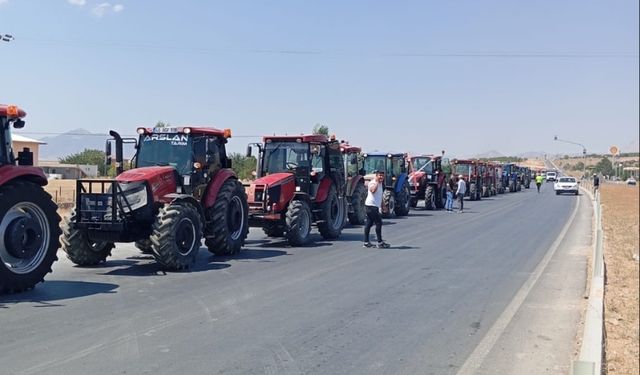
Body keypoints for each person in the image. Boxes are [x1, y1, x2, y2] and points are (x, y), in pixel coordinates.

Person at [363, 170, 390, 248]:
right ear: (376, 176)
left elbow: (379, 196)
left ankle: (366, 242)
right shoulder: (373, 183)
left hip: (374, 206)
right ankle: (380, 243)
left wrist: (383, 206)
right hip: (371, 206)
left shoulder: (381, 184)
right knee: (378, 223)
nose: (381, 177)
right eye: (380, 176)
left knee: (369, 223)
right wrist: (377, 183)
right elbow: (373, 191)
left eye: (382, 176)